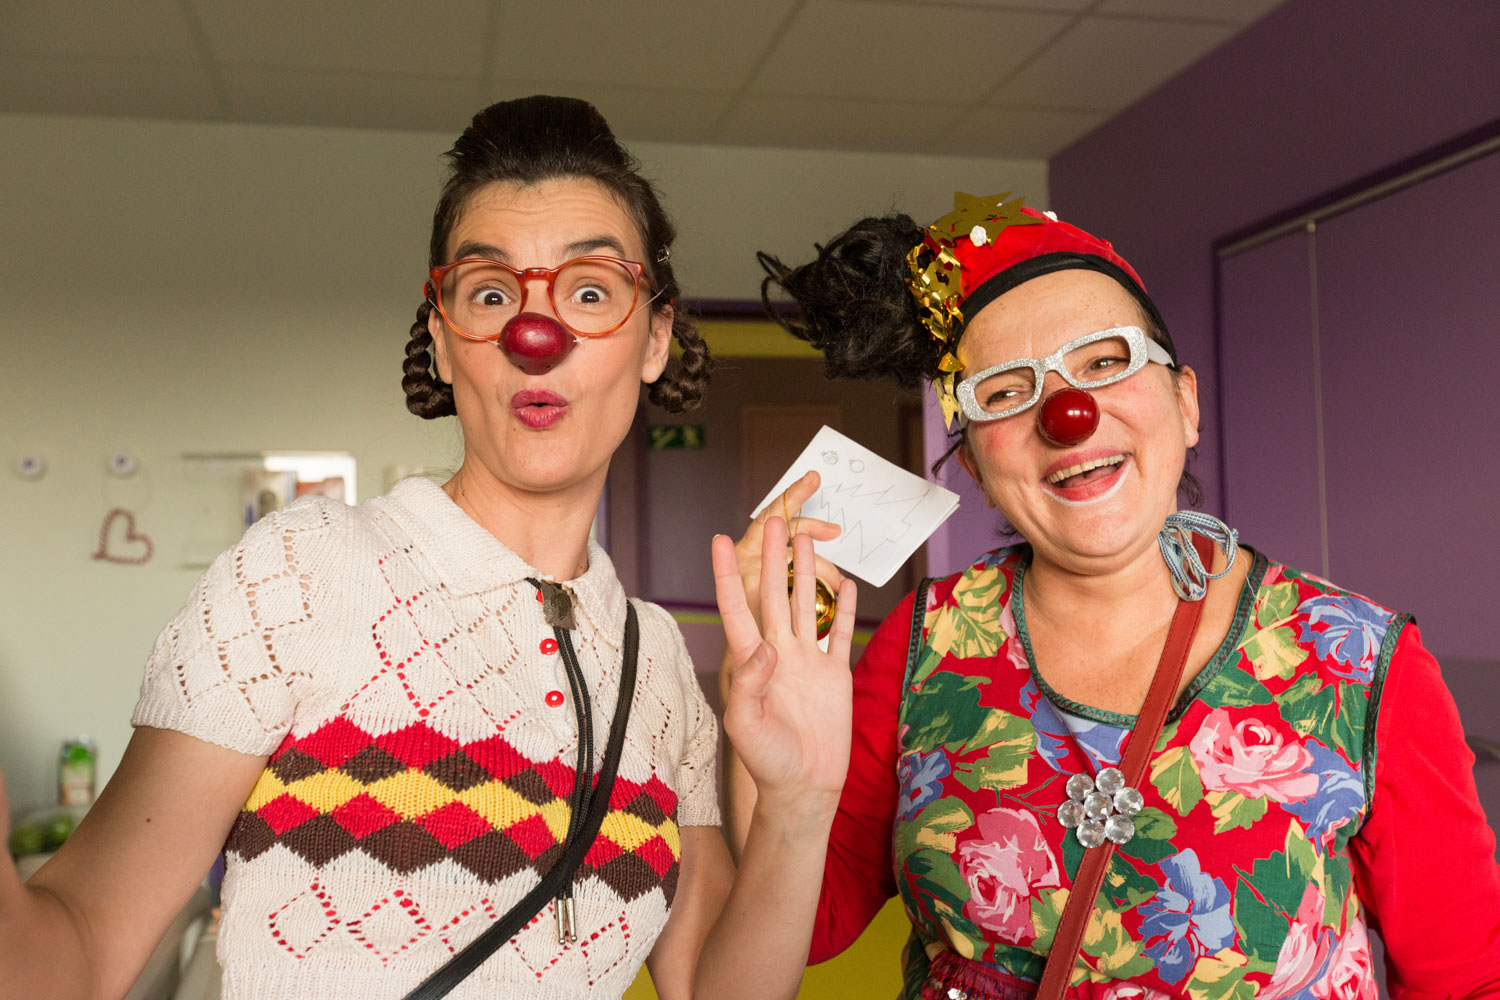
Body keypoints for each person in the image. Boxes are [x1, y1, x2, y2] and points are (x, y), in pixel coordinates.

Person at [0, 95, 857, 1000]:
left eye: (591, 291)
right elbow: (82, 947)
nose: (538, 337)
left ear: (655, 339)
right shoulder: (304, 570)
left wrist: (800, 810)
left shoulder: (662, 674)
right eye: (492, 295)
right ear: (446, 343)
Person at [722, 193, 1500, 998]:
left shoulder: (1366, 665)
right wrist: (769, 748)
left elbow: (1470, 980)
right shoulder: (923, 646)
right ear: (977, 471)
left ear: (1185, 404)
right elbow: (810, 924)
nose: (1068, 413)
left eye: (1104, 361)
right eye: (1006, 390)